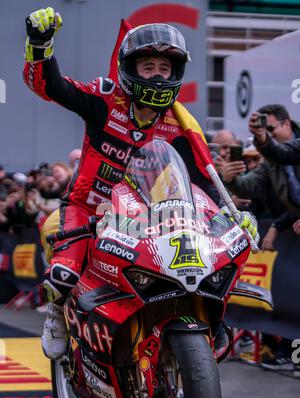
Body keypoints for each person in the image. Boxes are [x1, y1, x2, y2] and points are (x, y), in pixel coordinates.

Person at [23, 7, 257, 359]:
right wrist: (40, 46)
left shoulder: (181, 125)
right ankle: (57, 313)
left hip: (148, 218)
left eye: (166, 69)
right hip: (87, 207)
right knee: (62, 275)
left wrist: (231, 214)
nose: (159, 76)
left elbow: (202, 183)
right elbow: (50, 86)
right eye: (149, 67)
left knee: (199, 266)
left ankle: (207, 320)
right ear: (130, 69)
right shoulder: (104, 98)